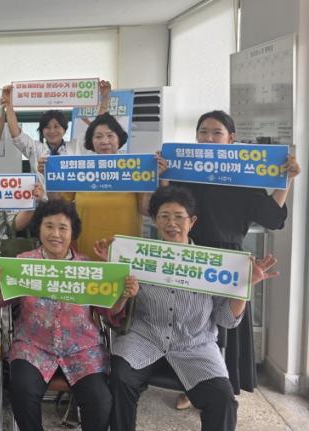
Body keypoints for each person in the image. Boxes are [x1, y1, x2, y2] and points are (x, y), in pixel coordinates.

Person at [94, 185, 279, 431]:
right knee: (120, 378)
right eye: (164, 216)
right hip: (144, 338)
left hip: (195, 345)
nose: (172, 223)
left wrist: (244, 286)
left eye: (179, 217)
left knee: (223, 399)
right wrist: (114, 273)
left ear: (192, 222)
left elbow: (226, 319)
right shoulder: (136, 256)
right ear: (155, 220)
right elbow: (114, 313)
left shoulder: (213, 263)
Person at [161, 110, 301, 407]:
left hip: (230, 258)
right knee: (190, 322)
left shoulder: (244, 174)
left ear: (231, 138)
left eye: (216, 132)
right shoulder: (185, 171)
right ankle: (189, 387)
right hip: (192, 254)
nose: (208, 138)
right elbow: (165, 206)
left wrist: (285, 179)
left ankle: (218, 390)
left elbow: (271, 217)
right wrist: (162, 177)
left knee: (227, 323)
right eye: (203, 132)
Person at [0, 199, 138, 431]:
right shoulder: (23, 262)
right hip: (33, 346)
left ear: (72, 233)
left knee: (100, 400)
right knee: (22, 390)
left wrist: (123, 295)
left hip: (82, 348)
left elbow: (109, 311)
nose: (55, 234)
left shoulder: (88, 267)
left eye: (63, 228)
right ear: (39, 229)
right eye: (49, 226)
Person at [52, 113, 162, 260]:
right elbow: (59, 204)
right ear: (91, 141)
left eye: (110, 135)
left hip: (126, 254)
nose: (104, 141)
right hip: (87, 252)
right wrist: (49, 176)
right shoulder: (80, 169)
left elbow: (145, 210)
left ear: (119, 139)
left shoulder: (135, 169)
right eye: (98, 136)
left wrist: (153, 179)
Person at [2, 81, 111, 181]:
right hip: (42, 196)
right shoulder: (35, 149)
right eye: (47, 127)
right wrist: (9, 106)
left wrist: (105, 98)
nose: (52, 131)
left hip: (71, 196)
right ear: (42, 131)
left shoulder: (77, 146)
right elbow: (16, 135)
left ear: (64, 129)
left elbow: (98, 128)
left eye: (56, 126)